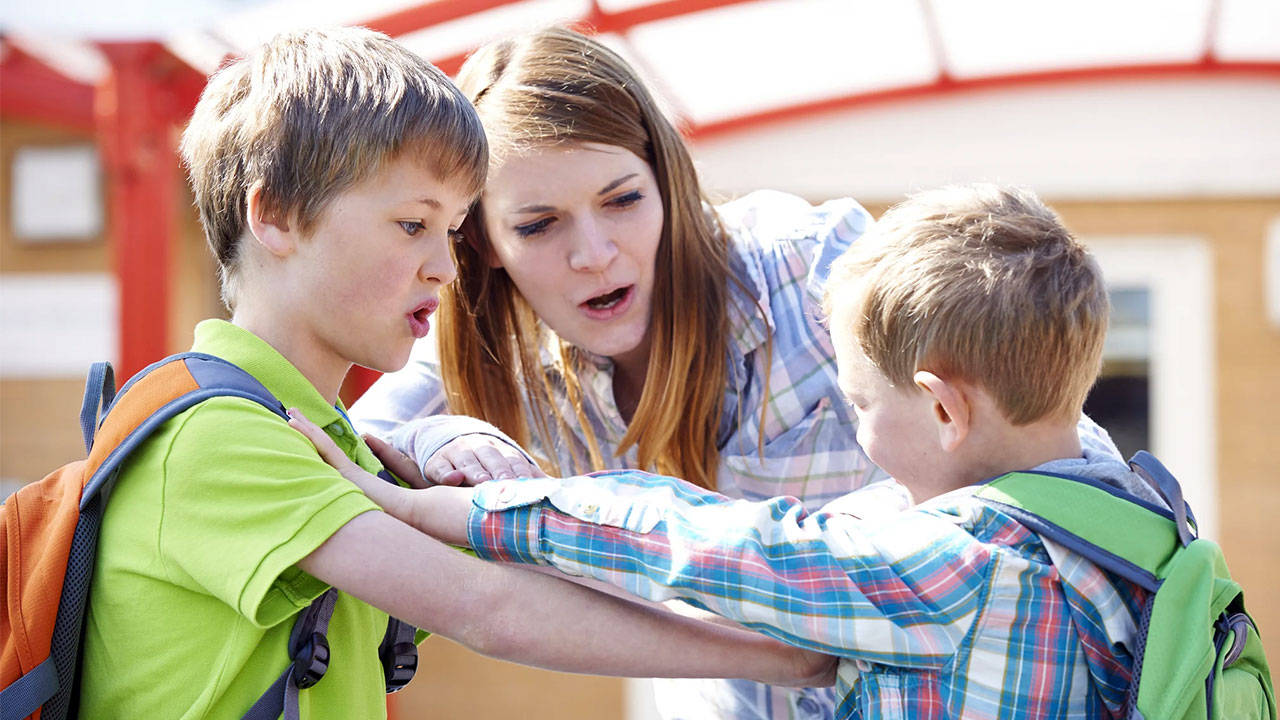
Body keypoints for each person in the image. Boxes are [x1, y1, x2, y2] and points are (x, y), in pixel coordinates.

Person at [351, 28, 1121, 719]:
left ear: (666, 184)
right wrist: (437, 438)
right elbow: (341, 450)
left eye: (621, 201)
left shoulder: (808, 269)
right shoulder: (492, 358)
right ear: (482, 241)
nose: (593, 253)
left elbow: (1048, 438)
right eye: (539, 224)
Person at [76, 27, 836, 719]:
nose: (444, 268)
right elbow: (490, 608)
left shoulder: (337, 443)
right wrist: (794, 654)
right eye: (414, 225)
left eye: (448, 231)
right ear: (273, 216)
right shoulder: (221, 435)